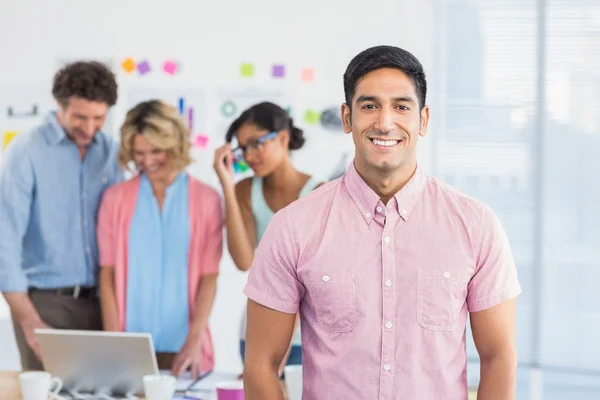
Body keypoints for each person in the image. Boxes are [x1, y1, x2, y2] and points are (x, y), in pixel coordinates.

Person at [242, 46, 522, 399]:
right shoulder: (293, 227)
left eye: (401, 106)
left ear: (423, 119)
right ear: (347, 118)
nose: (384, 122)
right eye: (369, 106)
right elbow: (260, 364)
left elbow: (499, 357)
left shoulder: (476, 225)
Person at [0, 61, 121, 371]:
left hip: (102, 301)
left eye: (99, 118)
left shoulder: (111, 152)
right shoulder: (25, 151)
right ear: (60, 104)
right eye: (80, 117)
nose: (90, 127)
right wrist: (28, 318)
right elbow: (5, 239)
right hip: (45, 303)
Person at [97, 100, 223, 379]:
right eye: (139, 152)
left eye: (156, 150)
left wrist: (194, 341)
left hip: (185, 349)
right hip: (129, 350)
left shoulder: (206, 200)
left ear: (175, 146)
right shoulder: (115, 199)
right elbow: (108, 275)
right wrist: (113, 342)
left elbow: (209, 278)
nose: (148, 161)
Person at [212, 102, 321, 372]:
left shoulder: (319, 194)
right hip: (256, 334)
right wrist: (227, 185)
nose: (248, 155)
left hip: (308, 338)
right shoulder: (245, 190)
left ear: (282, 138)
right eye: (242, 147)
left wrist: (279, 359)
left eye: (255, 143)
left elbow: (309, 281)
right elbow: (243, 261)